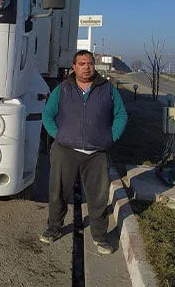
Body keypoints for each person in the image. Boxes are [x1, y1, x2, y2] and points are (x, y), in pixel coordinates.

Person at [39, 50, 128, 255]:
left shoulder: (107, 89)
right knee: (58, 193)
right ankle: (54, 228)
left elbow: (121, 115)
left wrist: (110, 137)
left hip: (97, 153)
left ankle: (100, 236)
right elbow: (48, 114)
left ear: (94, 66)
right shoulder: (63, 89)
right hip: (65, 151)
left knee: (98, 197)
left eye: (90, 63)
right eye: (82, 63)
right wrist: (58, 135)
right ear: (74, 67)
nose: (86, 67)